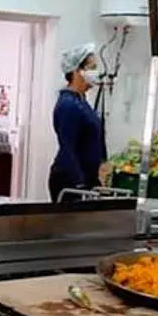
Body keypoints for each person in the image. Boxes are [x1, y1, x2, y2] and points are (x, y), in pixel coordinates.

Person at [48, 43, 106, 202]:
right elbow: (68, 147)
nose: (96, 72)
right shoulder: (68, 104)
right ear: (76, 71)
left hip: (86, 178)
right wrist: (79, 184)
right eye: (92, 67)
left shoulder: (81, 101)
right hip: (70, 180)